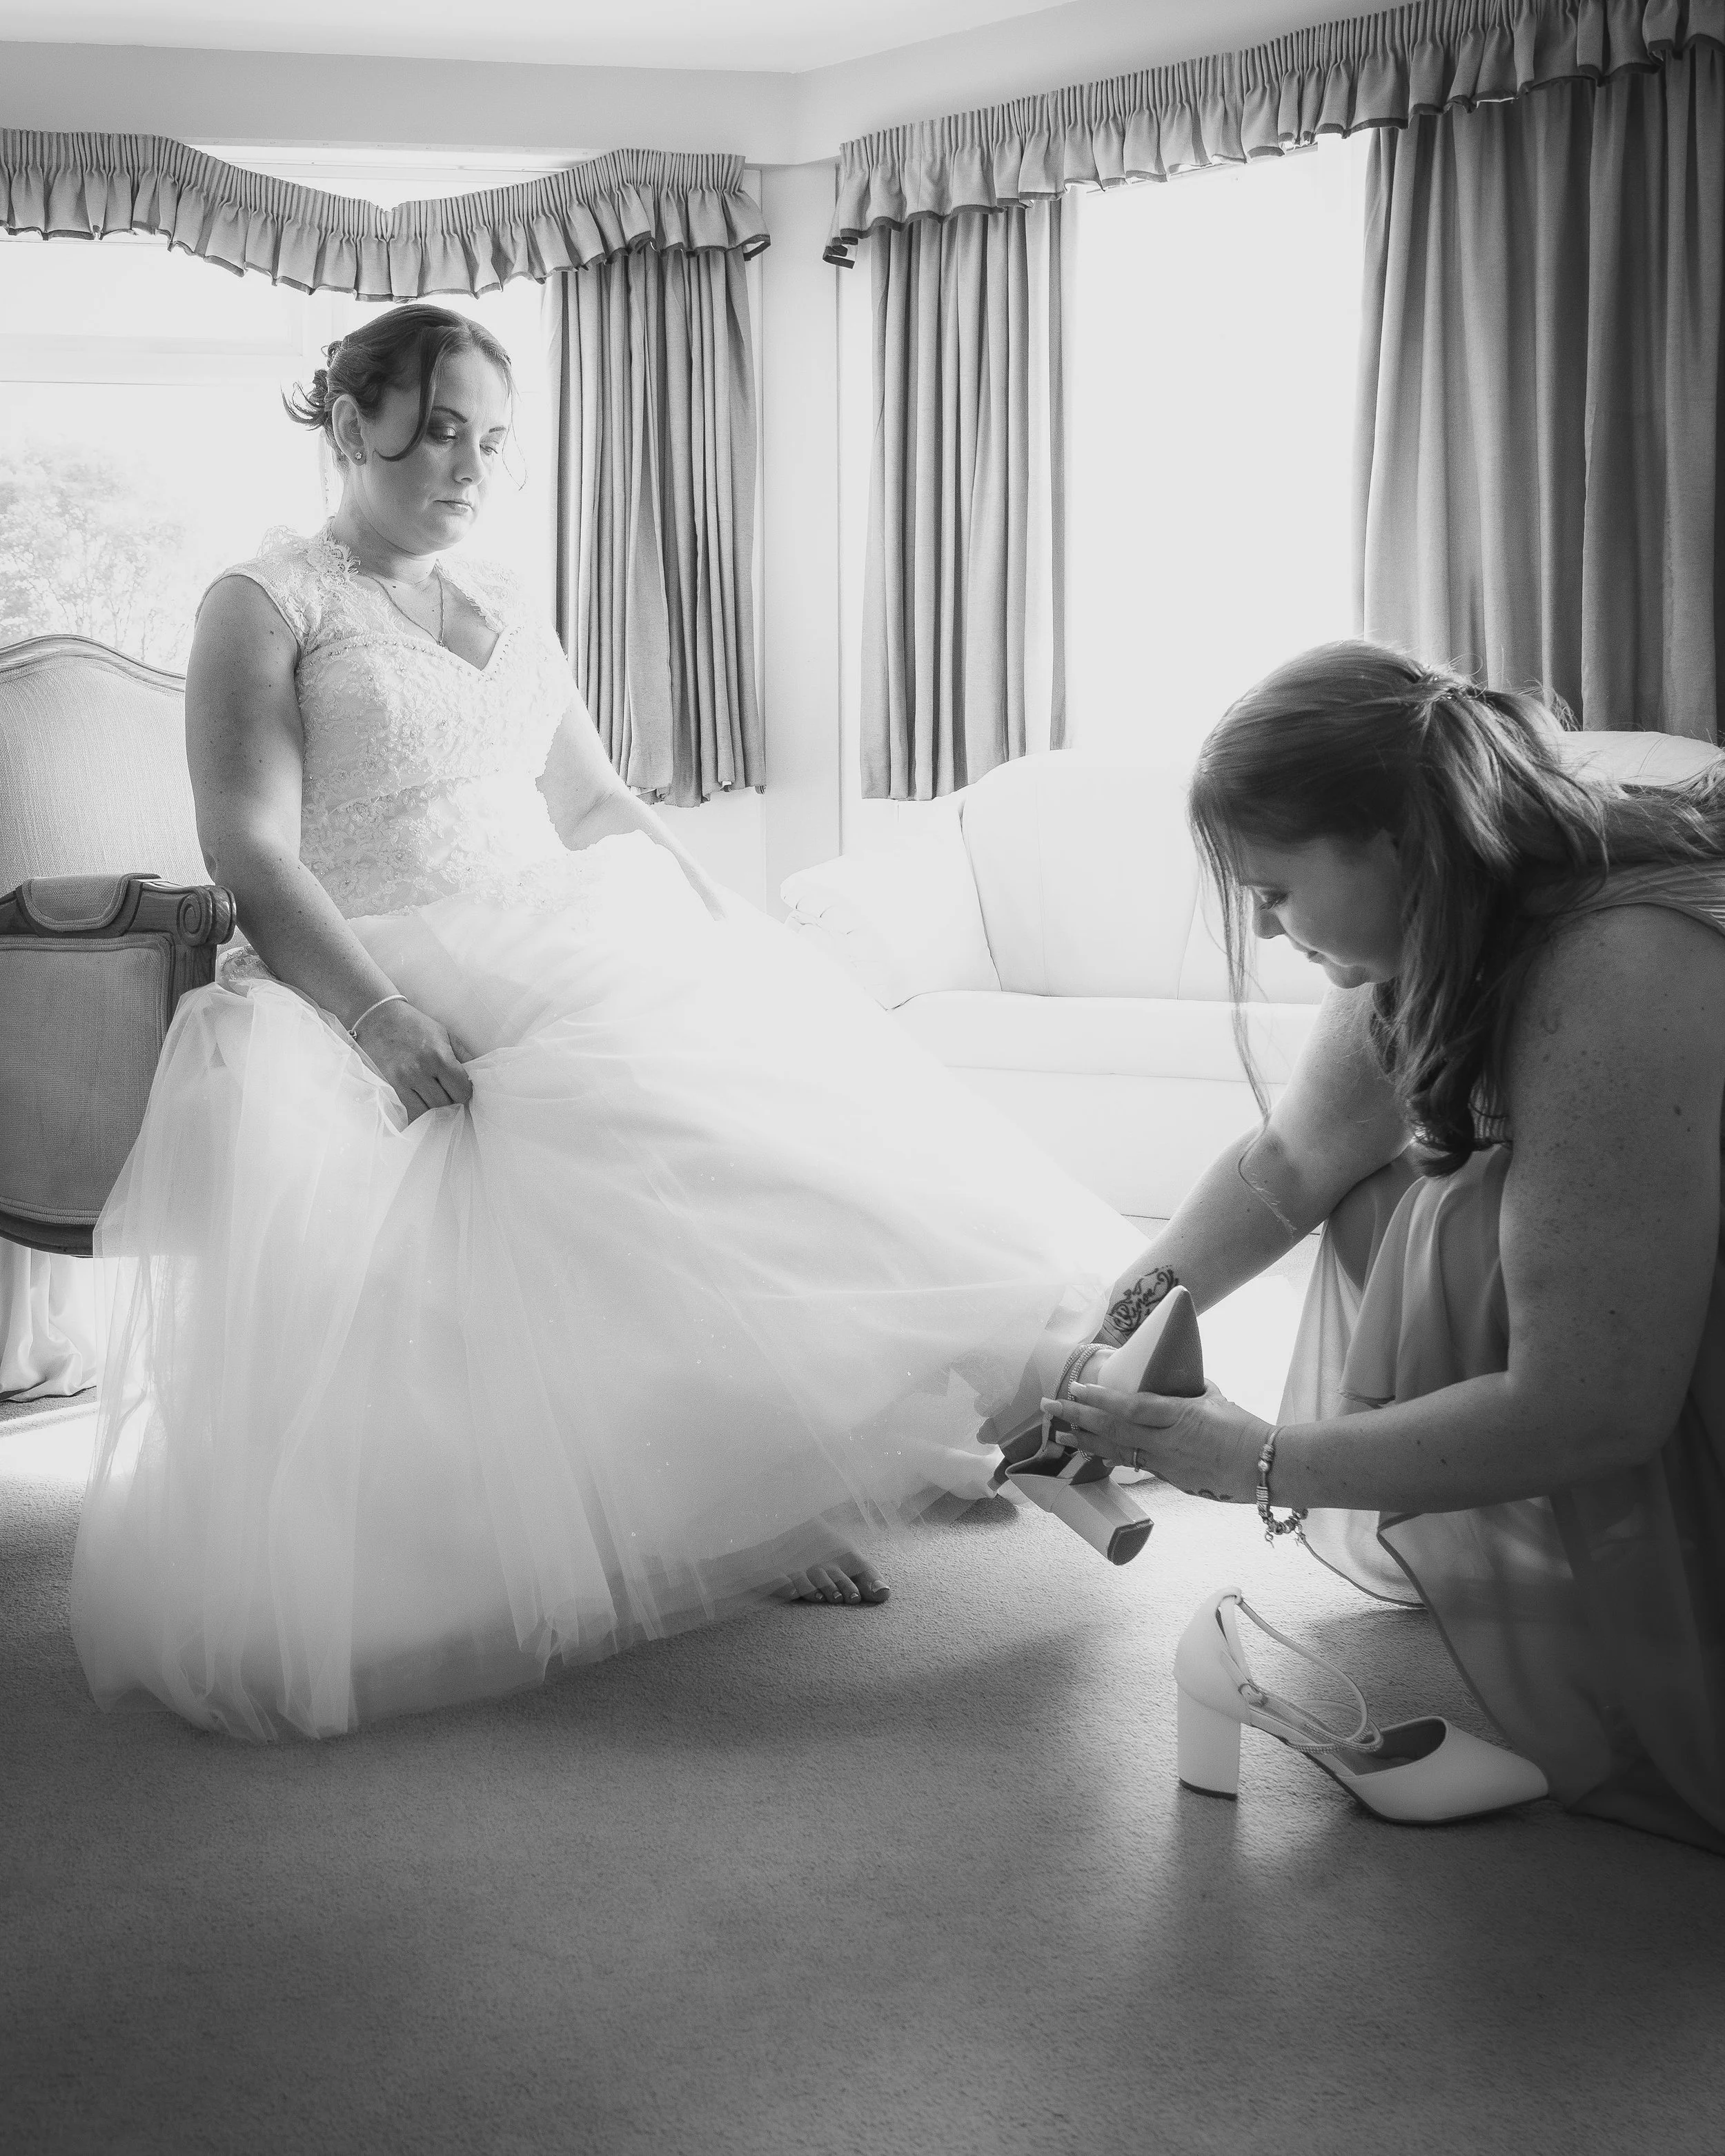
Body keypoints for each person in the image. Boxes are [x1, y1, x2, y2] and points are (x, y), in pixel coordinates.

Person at [69, 302, 1152, 1741]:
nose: (468, 464)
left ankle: (984, 1417)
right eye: (439, 425)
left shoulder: (511, 597)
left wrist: (724, 924)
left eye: (493, 438)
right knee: (605, 1126)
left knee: (771, 1090)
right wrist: (380, 1016)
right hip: (364, 961)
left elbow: (587, 803)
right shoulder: (264, 603)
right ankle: (731, 1514)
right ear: (349, 424)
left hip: (539, 924)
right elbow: (252, 850)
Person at [1048, 642, 1725, 1852]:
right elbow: (1287, 1168)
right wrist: (1106, 1340)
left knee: (1453, 1218)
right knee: (1387, 1194)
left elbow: (1602, 1401)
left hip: (1640, 1345)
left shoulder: (1620, 964)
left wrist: (1258, 1461)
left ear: (1397, 840)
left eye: (1274, 891)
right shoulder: (1446, 914)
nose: (1264, 930)